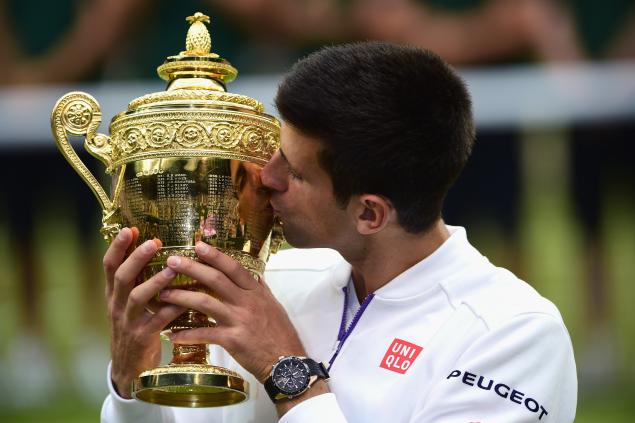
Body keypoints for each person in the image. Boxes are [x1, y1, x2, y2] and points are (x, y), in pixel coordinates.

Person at [101, 42, 577, 422]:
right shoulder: (267, 281)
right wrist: (130, 380)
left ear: (370, 213)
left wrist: (287, 371)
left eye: (295, 171)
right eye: (276, 151)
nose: (267, 177)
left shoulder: (512, 334)